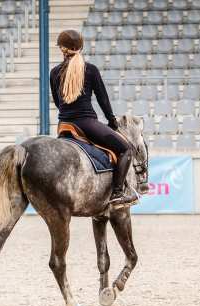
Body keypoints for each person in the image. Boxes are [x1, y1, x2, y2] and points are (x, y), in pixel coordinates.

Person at [49, 29, 136, 207]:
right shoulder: (90, 70)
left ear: (62, 49)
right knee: (126, 149)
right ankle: (117, 193)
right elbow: (103, 99)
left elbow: (59, 103)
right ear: (80, 47)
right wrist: (112, 121)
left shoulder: (54, 72)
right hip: (86, 123)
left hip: (64, 125)